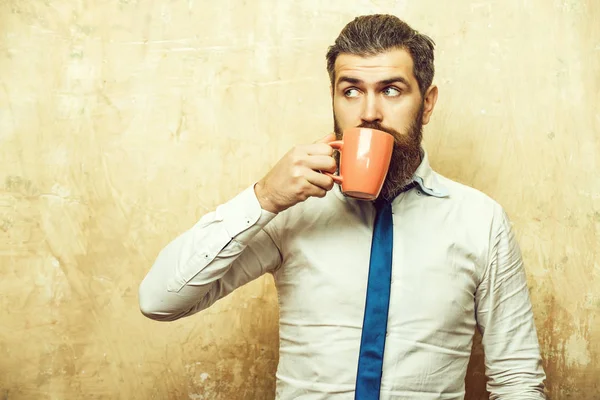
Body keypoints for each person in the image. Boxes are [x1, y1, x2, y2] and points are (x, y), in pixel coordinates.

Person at [139, 14, 547, 400]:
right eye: (351, 91)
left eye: (391, 90)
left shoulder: (481, 221)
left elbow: (518, 378)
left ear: (427, 103)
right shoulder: (290, 210)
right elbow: (160, 301)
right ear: (334, 99)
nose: (369, 113)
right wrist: (263, 198)